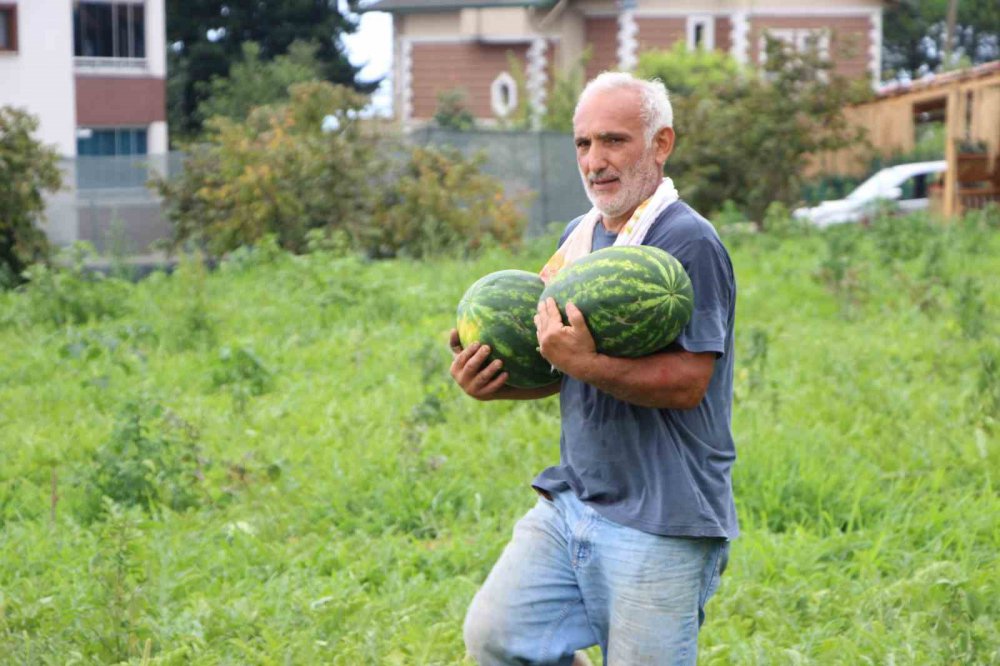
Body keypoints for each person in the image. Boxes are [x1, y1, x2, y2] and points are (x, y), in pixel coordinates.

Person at [449, 71, 737, 665]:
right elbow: (562, 366)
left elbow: (688, 383)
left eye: (614, 141)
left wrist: (587, 362)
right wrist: (497, 381)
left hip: (663, 515)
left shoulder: (686, 243)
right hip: (573, 500)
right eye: (583, 144)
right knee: (497, 639)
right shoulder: (578, 239)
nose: (595, 161)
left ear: (660, 145)